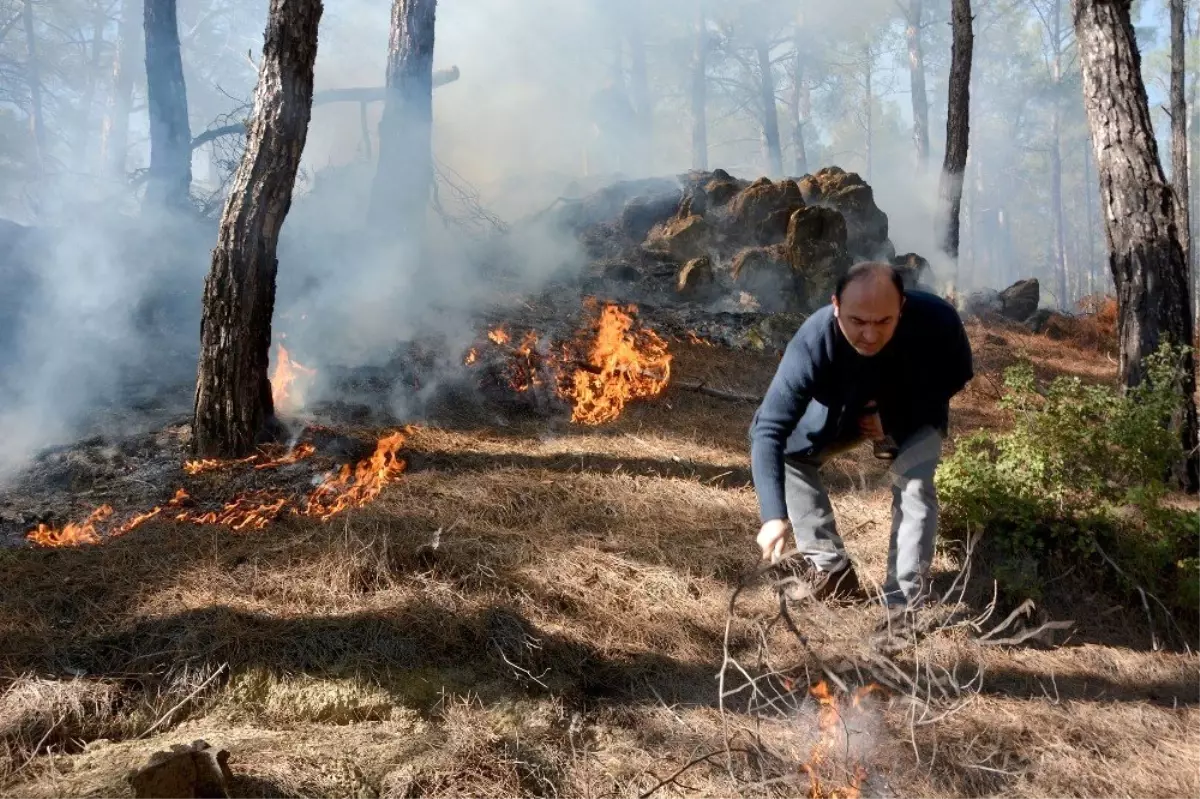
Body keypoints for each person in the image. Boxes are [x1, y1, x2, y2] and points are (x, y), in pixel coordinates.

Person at [748, 261, 974, 633]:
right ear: (836, 305)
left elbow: (956, 375)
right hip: (841, 411)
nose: (869, 334)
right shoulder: (815, 338)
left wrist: (896, 418)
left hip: (914, 409)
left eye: (883, 321)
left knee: (915, 488)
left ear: (902, 306)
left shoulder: (938, 321)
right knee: (790, 455)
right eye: (857, 321)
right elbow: (770, 427)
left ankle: (903, 607)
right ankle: (831, 570)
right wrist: (773, 517)